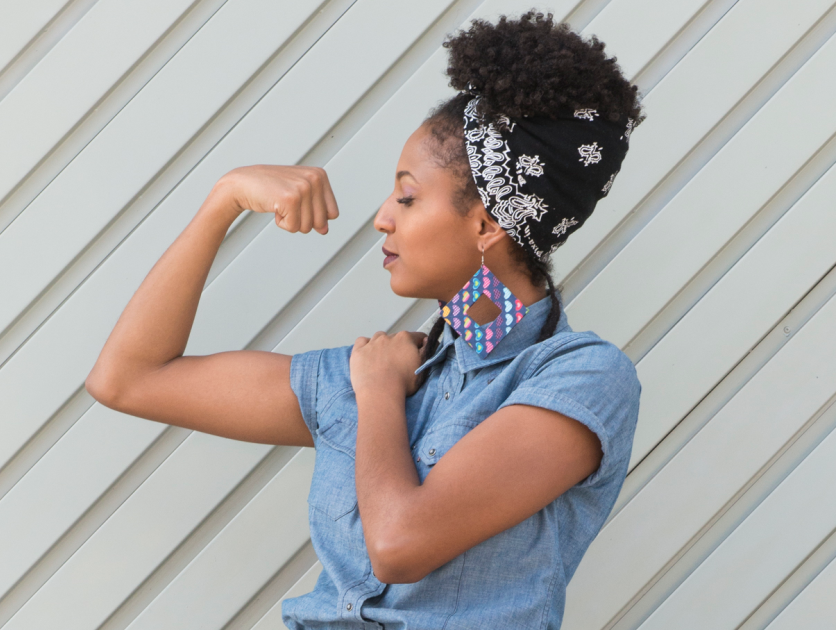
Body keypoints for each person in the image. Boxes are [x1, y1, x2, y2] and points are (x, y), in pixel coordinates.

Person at [86, 10, 643, 629]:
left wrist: (378, 395)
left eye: (407, 197)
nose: (383, 217)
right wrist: (225, 199)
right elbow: (129, 378)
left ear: (486, 224)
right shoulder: (385, 370)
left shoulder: (580, 380)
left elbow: (400, 544)